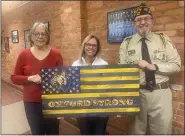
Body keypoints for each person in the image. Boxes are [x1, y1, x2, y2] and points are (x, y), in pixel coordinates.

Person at [119, 3, 181, 134]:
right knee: (135, 132)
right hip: (137, 94)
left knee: (162, 131)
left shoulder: (163, 40)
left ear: (153, 21)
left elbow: (176, 65)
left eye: (146, 18)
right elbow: (122, 71)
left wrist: (153, 66)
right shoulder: (127, 43)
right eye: (139, 19)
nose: (143, 22)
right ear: (134, 23)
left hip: (160, 94)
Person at [11, 22, 63, 135]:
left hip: (52, 102)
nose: (40, 37)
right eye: (37, 34)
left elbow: (62, 81)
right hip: (32, 104)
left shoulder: (56, 54)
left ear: (47, 36)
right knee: (37, 132)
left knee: (53, 132)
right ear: (32, 36)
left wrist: (62, 106)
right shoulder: (24, 54)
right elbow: (14, 78)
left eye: (43, 34)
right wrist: (29, 78)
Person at [72, 34, 109, 135]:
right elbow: (74, 88)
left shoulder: (104, 64)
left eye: (94, 45)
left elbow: (107, 87)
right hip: (83, 110)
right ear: (84, 46)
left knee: (100, 133)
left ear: (97, 48)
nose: (91, 47)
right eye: (88, 44)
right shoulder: (76, 64)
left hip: (101, 109)